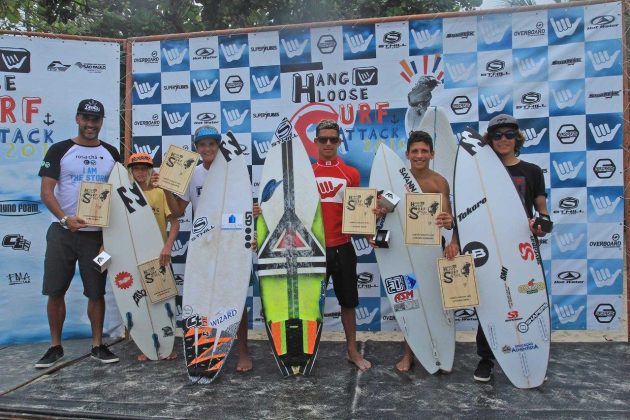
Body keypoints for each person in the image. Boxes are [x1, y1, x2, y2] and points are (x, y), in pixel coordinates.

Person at [36, 99, 120, 368]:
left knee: (96, 292)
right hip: (62, 232)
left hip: (97, 237)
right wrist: (65, 219)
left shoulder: (111, 153)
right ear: (77, 118)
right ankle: (55, 346)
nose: (90, 124)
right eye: (86, 118)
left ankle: (97, 344)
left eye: (95, 120)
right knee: (55, 290)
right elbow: (46, 192)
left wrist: (107, 239)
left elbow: (118, 196)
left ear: (101, 122)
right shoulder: (59, 149)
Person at [163, 125, 253, 372]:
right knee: (203, 297)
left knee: (235, 297)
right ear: (197, 149)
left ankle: (243, 351)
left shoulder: (233, 172)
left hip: (231, 243)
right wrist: (166, 188)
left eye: (212, 144)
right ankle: (205, 346)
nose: (207, 149)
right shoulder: (193, 175)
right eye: (202, 145)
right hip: (204, 244)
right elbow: (178, 211)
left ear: (219, 147)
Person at [371, 131, 459, 372]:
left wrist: (451, 236)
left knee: (437, 301)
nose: (419, 156)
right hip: (402, 250)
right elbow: (383, 213)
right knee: (410, 302)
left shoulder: (439, 182)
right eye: (415, 151)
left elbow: (450, 220)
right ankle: (409, 353)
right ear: (407, 154)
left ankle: (443, 351)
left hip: (431, 249)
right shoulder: (393, 180)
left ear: (432, 154)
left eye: (424, 151)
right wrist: (377, 215)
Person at [473, 113, 550, 382]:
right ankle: (486, 359)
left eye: (508, 135)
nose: (503, 140)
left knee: (528, 299)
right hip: (490, 247)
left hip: (522, 248)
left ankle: (533, 354)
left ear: (517, 138)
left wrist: (542, 225)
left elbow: (542, 210)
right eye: (497, 135)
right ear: (489, 140)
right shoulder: (479, 173)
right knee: (491, 302)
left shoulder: (531, 171)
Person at [312, 119, 372, 371]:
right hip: (313, 248)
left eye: (333, 139)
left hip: (344, 247)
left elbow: (358, 212)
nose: (328, 143)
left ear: (339, 142)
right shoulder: (307, 174)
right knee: (311, 305)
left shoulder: (352, 174)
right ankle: (308, 352)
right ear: (315, 142)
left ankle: (351, 351)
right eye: (323, 139)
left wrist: (369, 228)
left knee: (348, 302)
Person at [127, 152, 180, 361]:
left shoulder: (159, 192)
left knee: (164, 303)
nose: (140, 172)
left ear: (150, 171)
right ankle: (148, 346)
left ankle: (166, 346)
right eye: (136, 168)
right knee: (141, 303)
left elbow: (175, 222)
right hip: (135, 258)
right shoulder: (126, 194)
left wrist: (167, 247)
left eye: (144, 168)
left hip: (159, 257)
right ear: (131, 171)